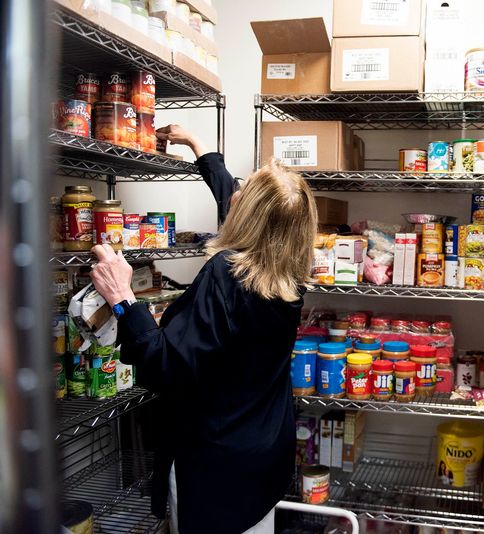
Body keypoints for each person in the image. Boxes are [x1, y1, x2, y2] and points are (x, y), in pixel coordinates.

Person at [89, 126, 318, 533]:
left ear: (246, 214)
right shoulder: (286, 271)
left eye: (244, 190)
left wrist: (123, 297)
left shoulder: (226, 275)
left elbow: (164, 366)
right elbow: (250, 204)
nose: (236, 190)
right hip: (264, 451)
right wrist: (199, 147)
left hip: (216, 461)